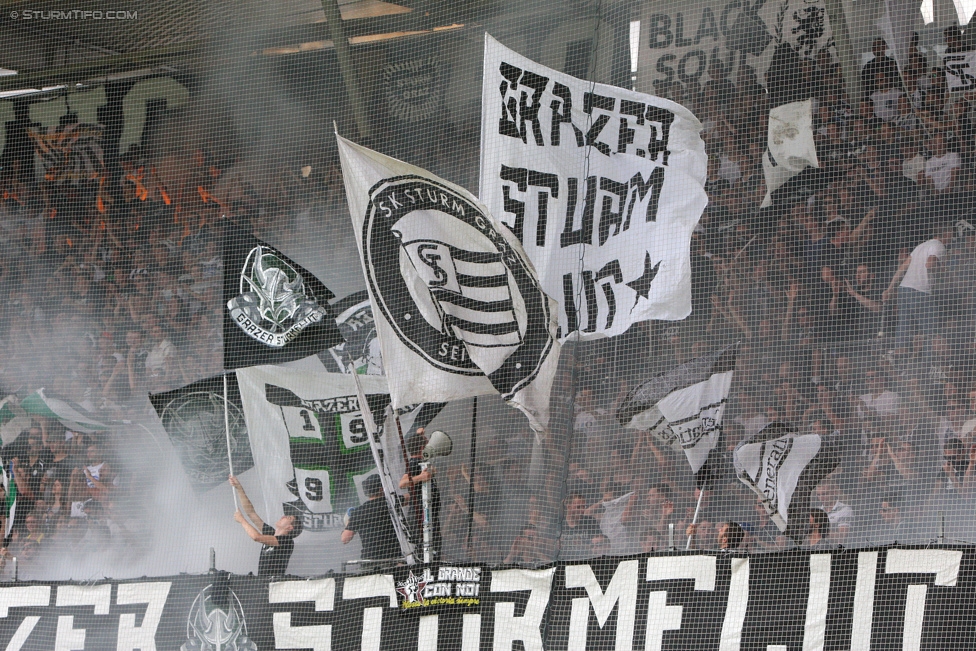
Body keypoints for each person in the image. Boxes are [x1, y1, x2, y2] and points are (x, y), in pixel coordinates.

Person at [229, 475, 302, 577]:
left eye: (288, 518)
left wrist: (242, 520)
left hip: (273, 585)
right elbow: (251, 513)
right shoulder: (271, 533)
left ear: (290, 527)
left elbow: (256, 537)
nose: (284, 516)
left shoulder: (287, 542)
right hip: (261, 583)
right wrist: (239, 488)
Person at [399, 429, 441, 559]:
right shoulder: (414, 464)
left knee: (434, 546)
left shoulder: (420, 463)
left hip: (428, 514)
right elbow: (403, 483)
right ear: (422, 448)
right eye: (427, 445)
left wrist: (420, 435)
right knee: (426, 550)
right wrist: (421, 477)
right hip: (421, 515)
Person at [342, 474, 401, 561]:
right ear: (382, 489)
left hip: (369, 560)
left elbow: (345, 539)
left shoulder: (358, 512)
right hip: (393, 557)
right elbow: (408, 498)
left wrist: (348, 523)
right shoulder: (389, 503)